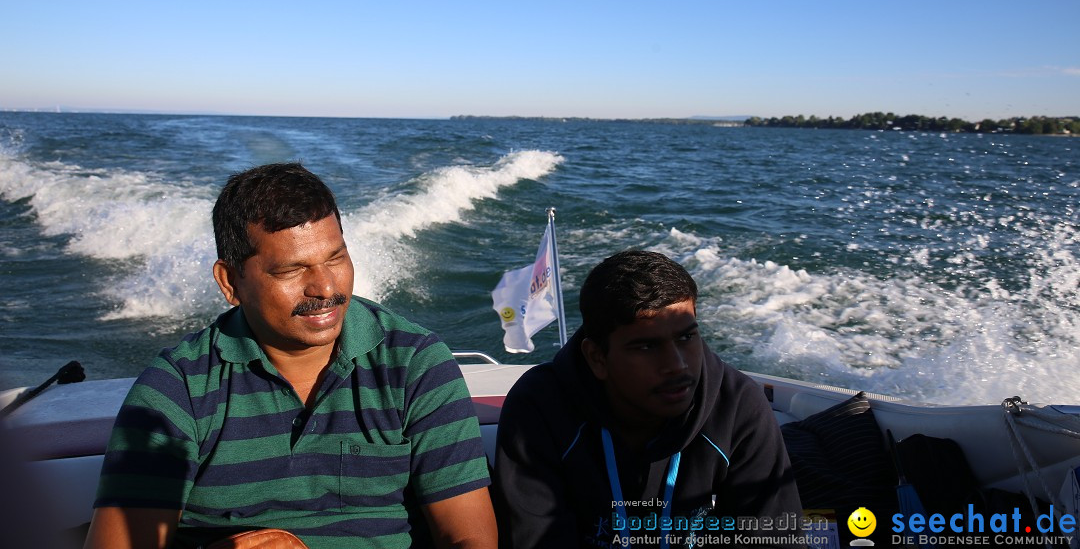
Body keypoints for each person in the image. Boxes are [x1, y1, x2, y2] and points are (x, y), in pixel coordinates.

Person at [85, 162, 496, 549]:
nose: (325, 288)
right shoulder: (177, 391)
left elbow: (470, 539)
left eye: (336, 257)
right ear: (230, 282)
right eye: (290, 271)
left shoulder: (415, 364)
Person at [493, 250, 802, 548]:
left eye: (686, 337)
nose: (678, 365)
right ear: (597, 357)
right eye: (646, 347)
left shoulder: (737, 405)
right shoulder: (539, 408)